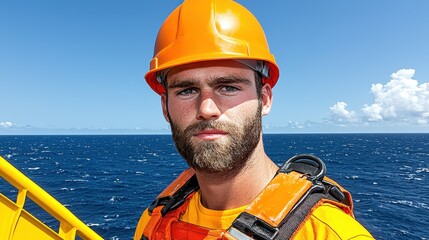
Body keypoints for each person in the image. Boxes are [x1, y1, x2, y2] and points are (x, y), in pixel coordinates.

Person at [134, 0, 374, 239]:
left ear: (265, 99)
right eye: (186, 90)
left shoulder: (329, 233)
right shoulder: (152, 223)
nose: (206, 108)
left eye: (228, 87)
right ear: (165, 107)